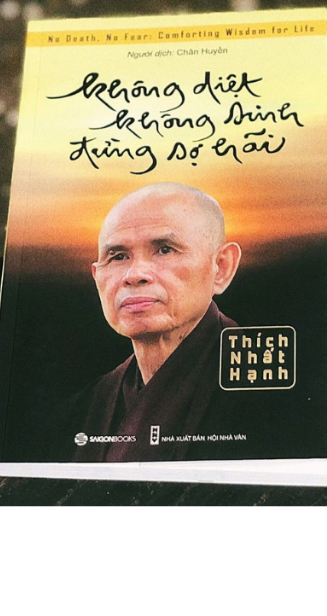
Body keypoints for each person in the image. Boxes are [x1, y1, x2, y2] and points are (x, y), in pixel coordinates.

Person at [72, 182, 243, 462]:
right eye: (118, 256)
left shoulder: (261, 386)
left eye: (165, 250)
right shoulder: (92, 403)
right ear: (96, 276)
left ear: (221, 267)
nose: (134, 275)